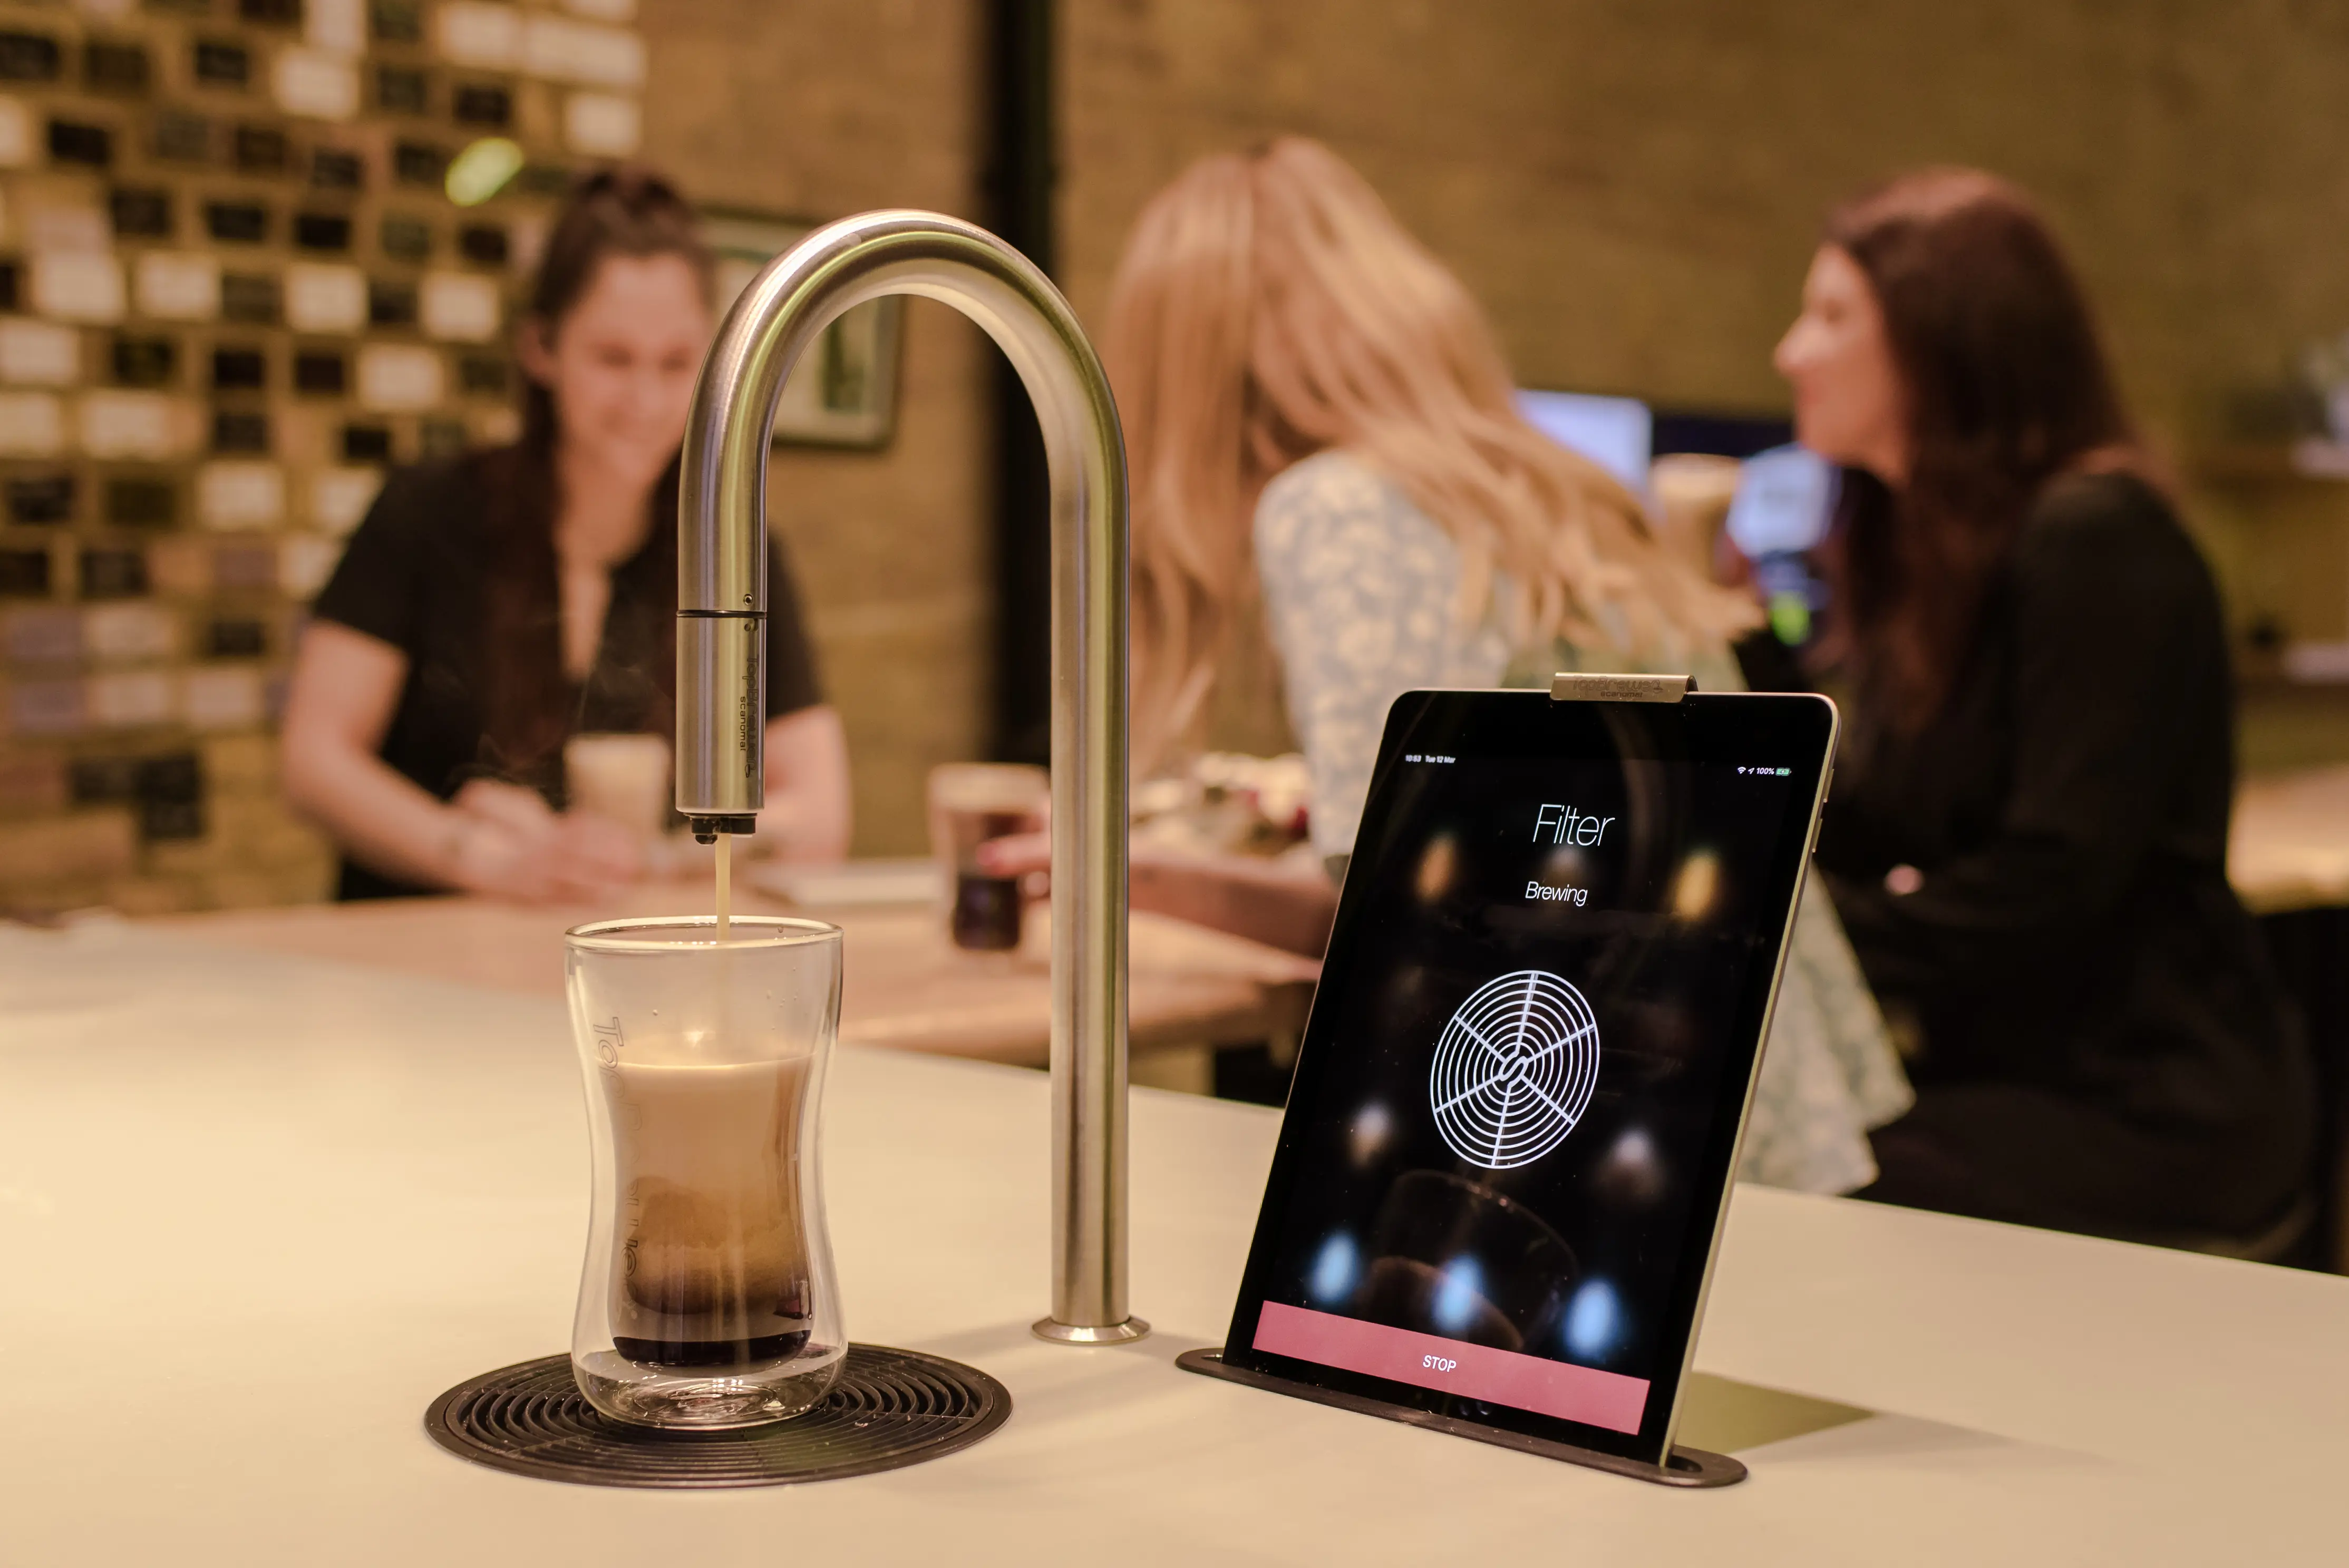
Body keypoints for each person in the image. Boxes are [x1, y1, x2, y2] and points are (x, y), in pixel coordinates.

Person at [993, 138, 1909, 1192]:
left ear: (1188, 368)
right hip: (1756, 1100)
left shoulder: (1335, 507)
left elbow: (1399, 894)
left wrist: (1132, 873)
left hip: (1607, 1127)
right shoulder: (1561, 491)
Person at [1777, 168, 2313, 1243]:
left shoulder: (2094, 537)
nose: (1791, 353)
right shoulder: (1933, 560)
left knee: (1785, 1181)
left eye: (1831, 316)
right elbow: (1887, 821)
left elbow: (2048, 883)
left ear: (1946, 336)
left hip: (2145, 1102)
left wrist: (1787, 934)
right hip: (2010, 1070)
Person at [282, 169, 850, 902]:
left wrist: (647, 857)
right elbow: (315, 762)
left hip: (627, 943)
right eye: (614, 359)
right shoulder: (427, 513)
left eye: (676, 363)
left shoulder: (733, 548)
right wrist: (475, 855)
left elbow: (822, 815)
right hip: (417, 943)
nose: (646, 399)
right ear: (541, 349)